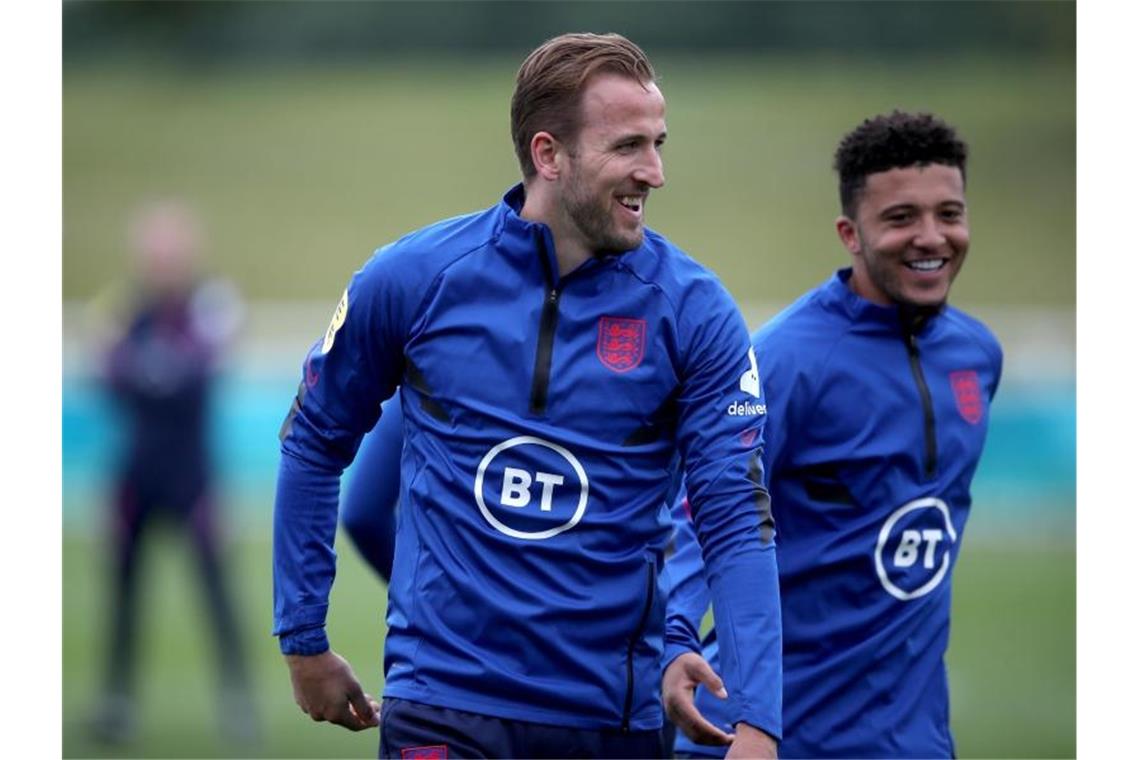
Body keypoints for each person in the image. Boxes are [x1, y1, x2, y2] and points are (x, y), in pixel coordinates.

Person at [273, 32, 781, 758]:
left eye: (658, 142)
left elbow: (734, 518)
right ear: (549, 154)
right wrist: (303, 640)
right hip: (443, 707)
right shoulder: (414, 279)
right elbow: (314, 442)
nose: (656, 172)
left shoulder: (694, 313)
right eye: (628, 146)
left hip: (612, 721)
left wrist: (758, 722)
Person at [662, 111, 1003, 758]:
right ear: (850, 233)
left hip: (912, 741)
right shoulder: (787, 361)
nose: (931, 237)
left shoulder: (977, 358)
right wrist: (675, 634)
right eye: (901, 217)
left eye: (949, 213)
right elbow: (698, 515)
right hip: (763, 738)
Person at [89, 200, 254, 744]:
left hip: (194, 478)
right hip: (135, 476)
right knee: (123, 597)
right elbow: (111, 379)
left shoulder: (210, 305)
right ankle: (116, 704)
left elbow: (191, 379)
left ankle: (238, 701)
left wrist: (147, 372)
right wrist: (157, 374)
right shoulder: (127, 310)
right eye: (154, 253)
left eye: (170, 252)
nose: (161, 263)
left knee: (217, 596)